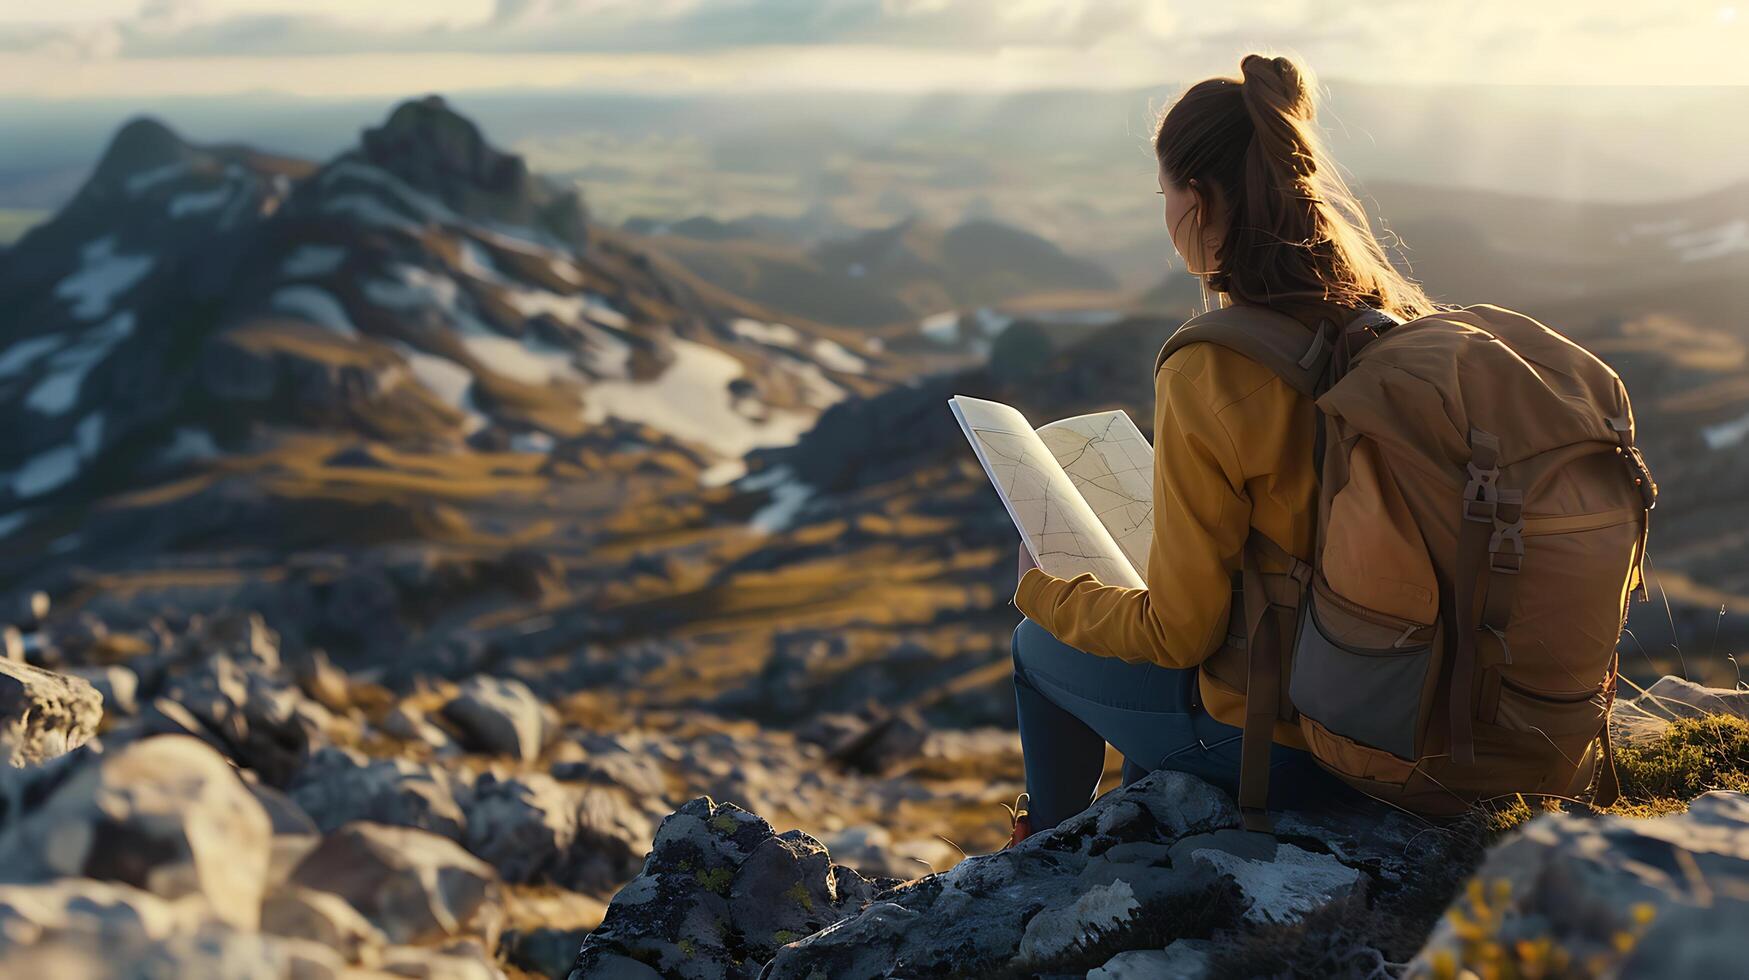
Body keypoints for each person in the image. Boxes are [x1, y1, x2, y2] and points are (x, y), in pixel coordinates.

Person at [1005, 52, 1452, 843]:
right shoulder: (1387, 323)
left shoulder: (1214, 363)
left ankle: (1038, 853)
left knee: (1035, 646)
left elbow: (1180, 632)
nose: (1167, 210)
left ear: (1199, 199)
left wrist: (1043, 590)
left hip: (1290, 750)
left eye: (1164, 193)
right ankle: (1135, 831)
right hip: (1411, 719)